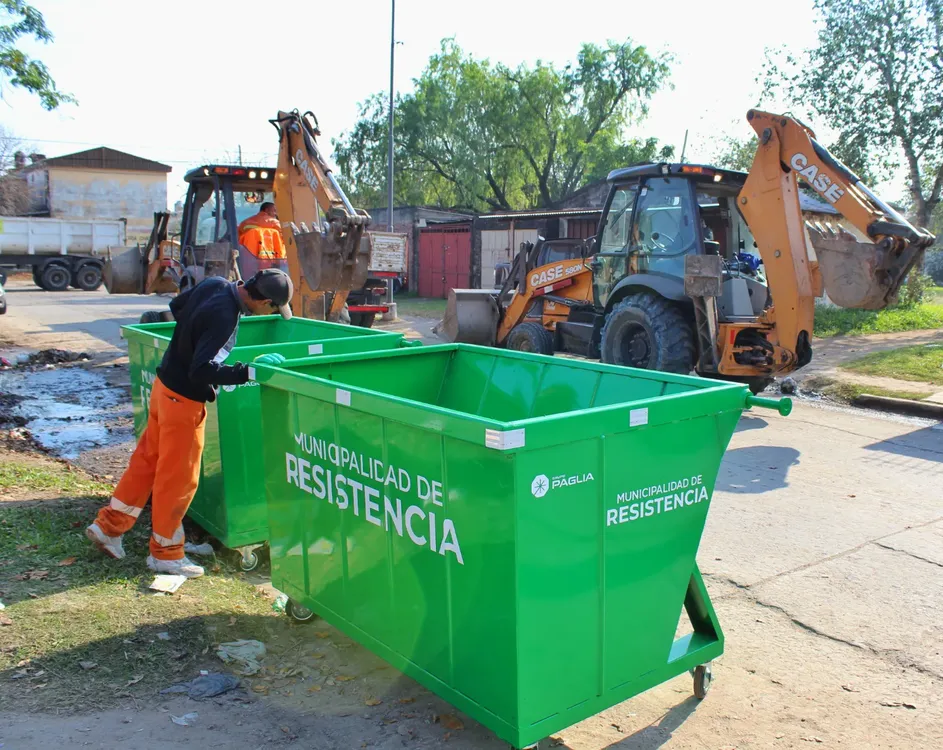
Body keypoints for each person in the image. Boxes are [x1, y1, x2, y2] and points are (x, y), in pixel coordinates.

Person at [86, 269, 294, 578]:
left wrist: (192, 335)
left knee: (147, 462)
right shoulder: (226, 316)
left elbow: (179, 307)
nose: (273, 312)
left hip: (164, 386)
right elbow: (202, 370)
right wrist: (247, 372)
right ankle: (166, 553)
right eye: (274, 307)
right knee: (179, 478)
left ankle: (109, 527)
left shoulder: (215, 284)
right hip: (183, 401)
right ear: (262, 300)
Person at [237, 201, 286, 269]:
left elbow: (238, 238)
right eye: (274, 211)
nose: (276, 214)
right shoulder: (274, 223)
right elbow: (284, 239)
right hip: (270, 262)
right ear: (267, 210)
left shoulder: (245, 223)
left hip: (246, 262)